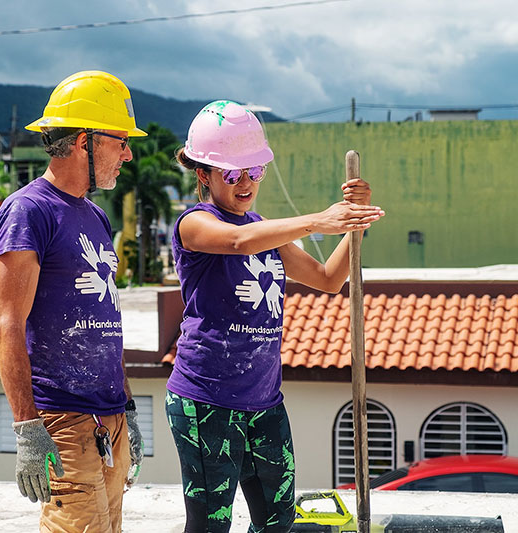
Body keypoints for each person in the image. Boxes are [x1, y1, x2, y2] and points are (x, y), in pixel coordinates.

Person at [166, 100, 385, 533]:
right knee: (210, 524)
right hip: (206, 402)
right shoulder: (195, 224)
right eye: (232, 174)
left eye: (254, 171)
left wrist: (355, 223)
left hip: (264, 402)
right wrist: (320, 220)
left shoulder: (265, 228)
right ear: (203, 174)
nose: (246, 183)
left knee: (277, 520)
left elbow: (327, 278)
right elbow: (238, 242)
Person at [0, 70, 146, 533]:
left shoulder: (95, 215)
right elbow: (8, 326)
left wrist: (128, 410)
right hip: (62, 418)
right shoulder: (28, 211)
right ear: (84, 141)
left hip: (108, 417)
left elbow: (105, 320)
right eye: (120, 141)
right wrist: (27, 430)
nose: (128, 153)